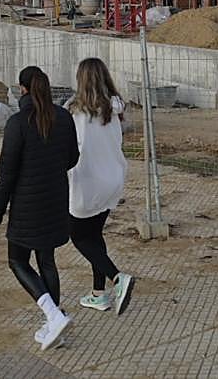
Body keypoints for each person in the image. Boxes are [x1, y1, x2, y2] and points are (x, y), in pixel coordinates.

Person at [0, 66, 80, 350]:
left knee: (17, 261)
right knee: (47, 260)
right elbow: (73, 157)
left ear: (23, 89)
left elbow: (7, 173)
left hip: (28, 206)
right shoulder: (63, 117)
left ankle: (53, 315)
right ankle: (55, 325)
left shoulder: (17, 123)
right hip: (55, 199)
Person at [66, 57, 134, 315]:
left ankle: (117, 278)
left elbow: (77, 147)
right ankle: (98, 294)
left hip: (87, 182)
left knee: (78, 236)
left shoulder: (78, 113)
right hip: (113, 179)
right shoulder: (113, 110)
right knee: (94, 235)